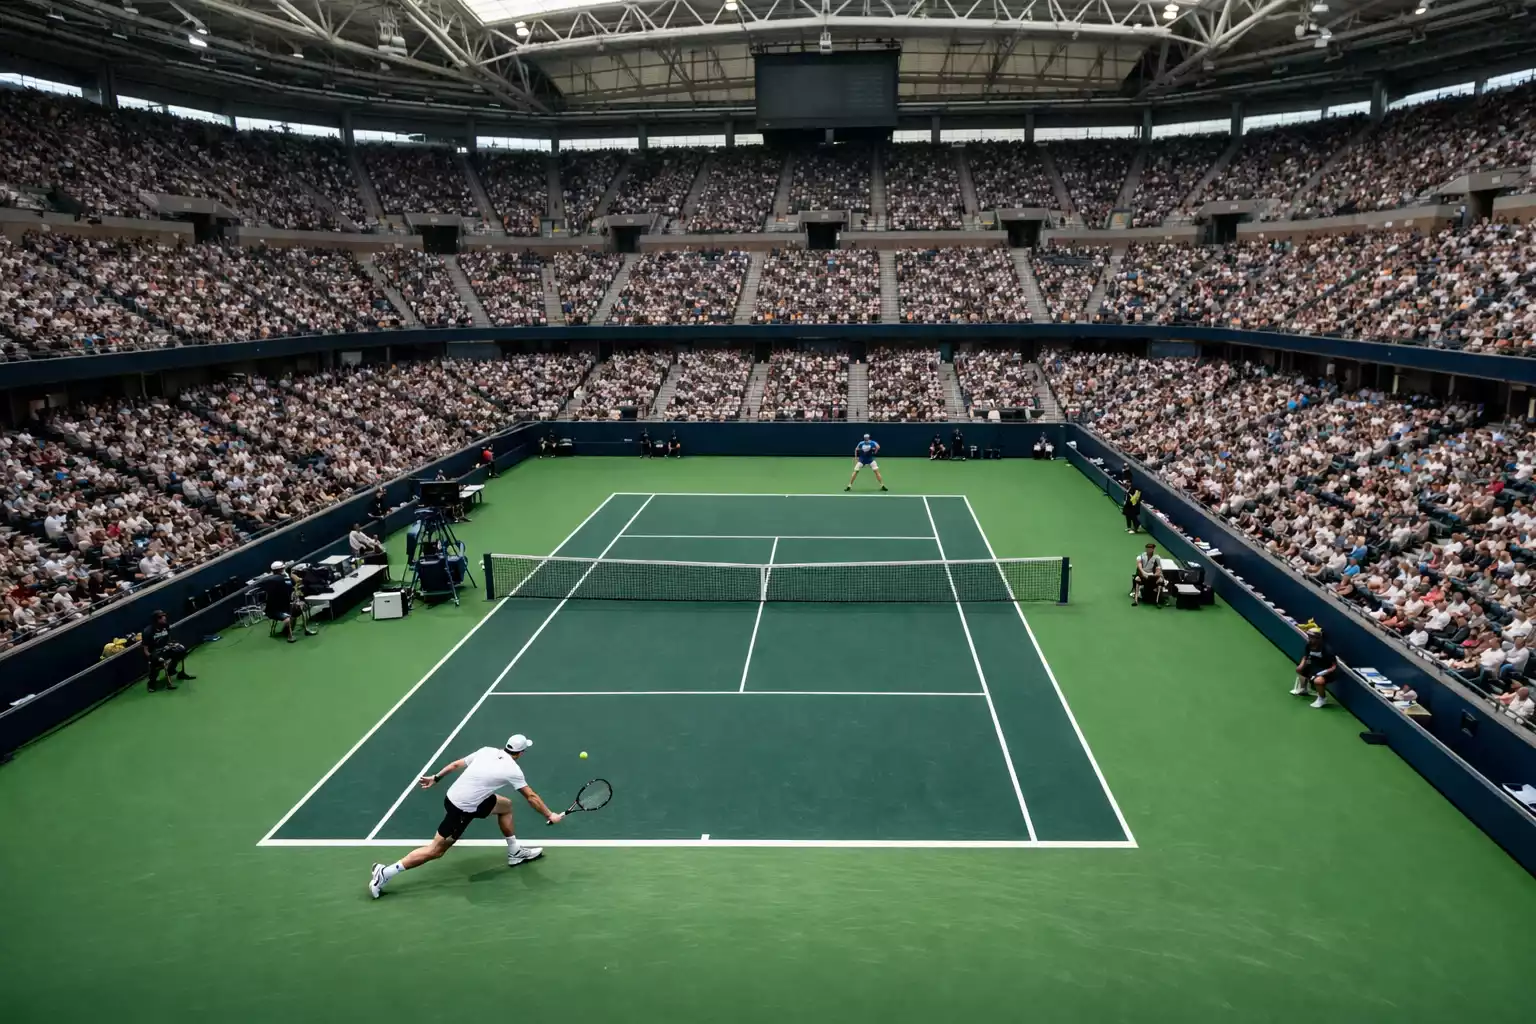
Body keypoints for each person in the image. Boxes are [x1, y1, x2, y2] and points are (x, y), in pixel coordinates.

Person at [369, 733, 563, 898]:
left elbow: (455, 765)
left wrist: (436, 777)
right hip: (462, 808)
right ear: (520, 753)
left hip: (456, 796)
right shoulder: (512, 770)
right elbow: (531, 796)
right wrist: (550, 814)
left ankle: (515, 852)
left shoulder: (487, 750)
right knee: (436, 850)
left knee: (506, 806)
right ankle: (385, 873)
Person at [263, 560, 317, 644]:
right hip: (274, 610)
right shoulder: (272, 581)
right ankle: (289, 635)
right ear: (277, 570)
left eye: (283, 568)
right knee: (288, 619)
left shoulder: (287, 578)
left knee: (300, 608)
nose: (283, 569)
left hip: (286, 606)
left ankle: (306, 630)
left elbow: (294, 587)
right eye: (282, 568)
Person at [143, 609, 194, 691]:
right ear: (157, 619)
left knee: (181, 650)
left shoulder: (166, 626)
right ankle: (151, 683)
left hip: (165, 648)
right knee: (157, 661)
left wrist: (172, 645)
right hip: (154, 652)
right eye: (162, 617)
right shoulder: (148, 631)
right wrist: (151, 657)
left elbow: (168, 639)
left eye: (164, 616)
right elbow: (145, 649)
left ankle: (175, 672)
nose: (164, 618)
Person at [1292, 629, 1338, 708]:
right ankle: (1303, 689)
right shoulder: (1309, 645)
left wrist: (1321, 673)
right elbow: (1306, 656)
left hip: (1326, 671)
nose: (1310, 639)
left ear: (1318, 638)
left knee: (1318, 681)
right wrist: (1302, 665)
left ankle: (1322, 699)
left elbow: (1334, 666)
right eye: (1309, 637)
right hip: (1313, 667)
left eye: (1312, 637)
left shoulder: (1326, 650)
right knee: (1300, 669)